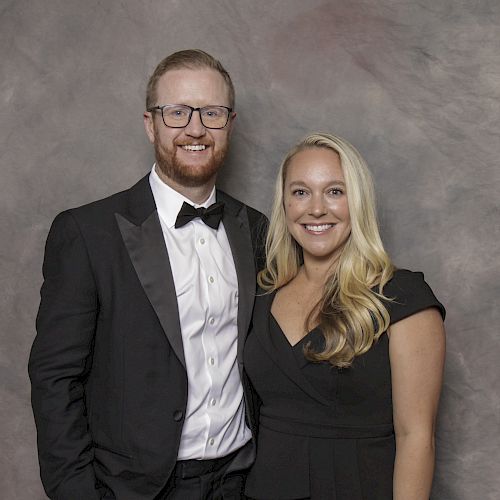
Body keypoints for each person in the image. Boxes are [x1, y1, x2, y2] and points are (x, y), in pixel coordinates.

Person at [28, 49, 267, 500]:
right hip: (133, 489)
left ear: (229, 124)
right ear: (150, 123)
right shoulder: (86, 232)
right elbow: (54, 381)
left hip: (242, 481)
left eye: (211, 113)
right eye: (177, 112)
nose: (195, 128)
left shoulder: (258, 230)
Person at [243, 132, 446, 500]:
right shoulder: (261, 293)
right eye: (300, 192)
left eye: (335, 191)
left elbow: (417, 438)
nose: (316, 209)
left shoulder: (401, 297)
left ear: (359, 202)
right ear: (284, 203)